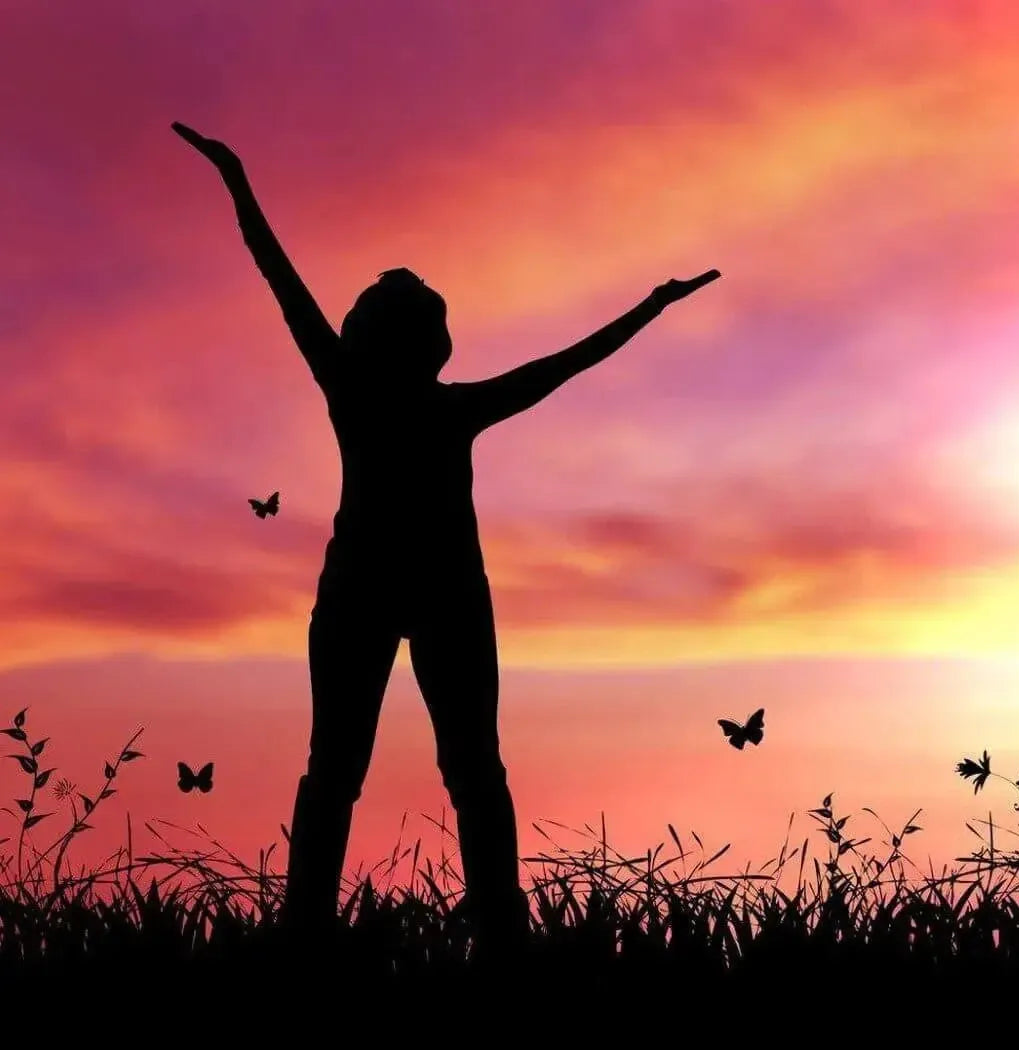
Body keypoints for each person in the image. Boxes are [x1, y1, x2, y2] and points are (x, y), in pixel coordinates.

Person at [171, 121, 720, 959]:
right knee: (425, 772)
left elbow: (283, 278)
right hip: (404, 592)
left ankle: (404, 933)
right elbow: (564, 364)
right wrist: (237, 182)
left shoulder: (368, 389)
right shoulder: (423, 400)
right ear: (428, 342)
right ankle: (430, 934)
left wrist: (240, 183)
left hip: (405, 592)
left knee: (384, 772)